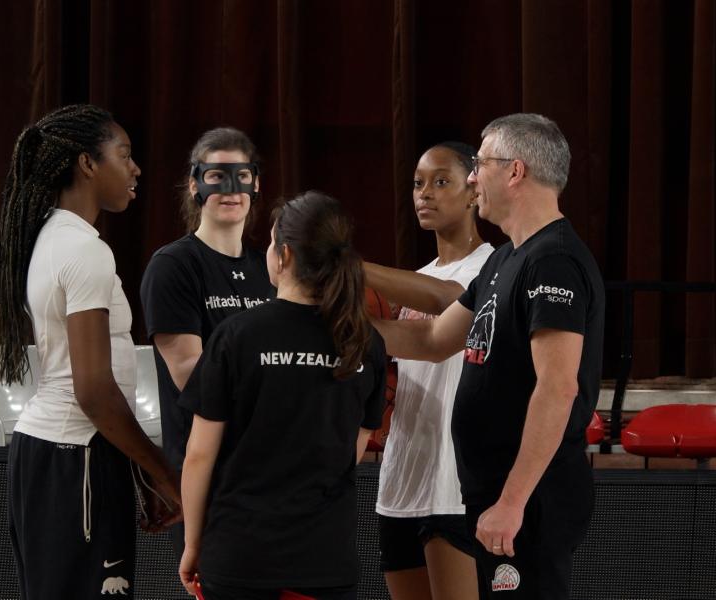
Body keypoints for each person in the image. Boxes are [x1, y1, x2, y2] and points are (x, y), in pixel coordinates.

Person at [370, 114, 604, 600]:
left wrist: (512, 501)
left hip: (528, 499)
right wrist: (328, 331)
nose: (474, 177)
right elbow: (432, 340)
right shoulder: (507, 259)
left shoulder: (553, 260)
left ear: (515, 172)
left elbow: (558, 388)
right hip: (487, 494)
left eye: (481, 164)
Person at [0, 104, 181, 599]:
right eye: (125, 155)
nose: (135, 168)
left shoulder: (54, 239)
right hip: (74, 456)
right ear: (87, 164)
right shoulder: (83, 250)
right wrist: (162, 471)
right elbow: (94, 390)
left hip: (59, 454)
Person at [177, 191, 387, 600]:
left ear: (284, 255)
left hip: (241, 558)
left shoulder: (236, 336)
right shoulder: (366, 343)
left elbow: (199, 455)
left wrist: (192, 544)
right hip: (324, 561)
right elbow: (351, 452)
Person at [364, 142, 494, 600]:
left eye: (442, 182)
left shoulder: (492, 267)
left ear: (474, 190)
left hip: (453, 482)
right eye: (419, 183)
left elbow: (448, 298)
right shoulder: (415, 278)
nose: (426, 193)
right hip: (403, 475)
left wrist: (350, 268)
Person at [139, 127, 275, 558]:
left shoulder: (268, 267)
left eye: (241, 175)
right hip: (211, 476)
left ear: (256, 183)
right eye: (217, 175)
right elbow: (192, 378)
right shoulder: (174, 266)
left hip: (271, 472)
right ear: (195, 184)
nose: (230, 188)